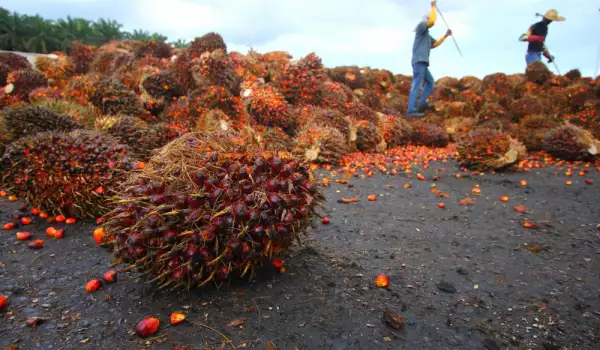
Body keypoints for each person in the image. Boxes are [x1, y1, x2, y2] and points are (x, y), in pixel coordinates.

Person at [406, 0, 452, 118]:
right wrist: (433, 7)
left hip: (423, 62)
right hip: (418, 61)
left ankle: (421, 105)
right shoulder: (421, 26)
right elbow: (432, 21)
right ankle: (411, 111)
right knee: (417, 85)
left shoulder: (426, 35)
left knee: (430, 81)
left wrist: (445, 36)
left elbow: (434, 44)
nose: (432, 22)